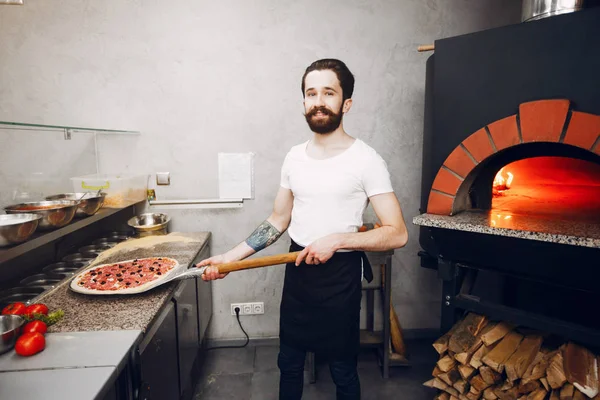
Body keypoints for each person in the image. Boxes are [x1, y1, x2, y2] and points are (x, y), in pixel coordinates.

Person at [197, 58, 408, 400]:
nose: (319, 101)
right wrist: (228, 259)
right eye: (311, 93)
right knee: (289, 362)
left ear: (346, 103)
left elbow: (397, 232)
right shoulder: (295, 157)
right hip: (297, 269)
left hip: (340, 274)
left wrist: (339, 240)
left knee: (342, 368)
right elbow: (277, 220)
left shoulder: (366, 160)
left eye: (329, 92)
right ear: (304, 103)